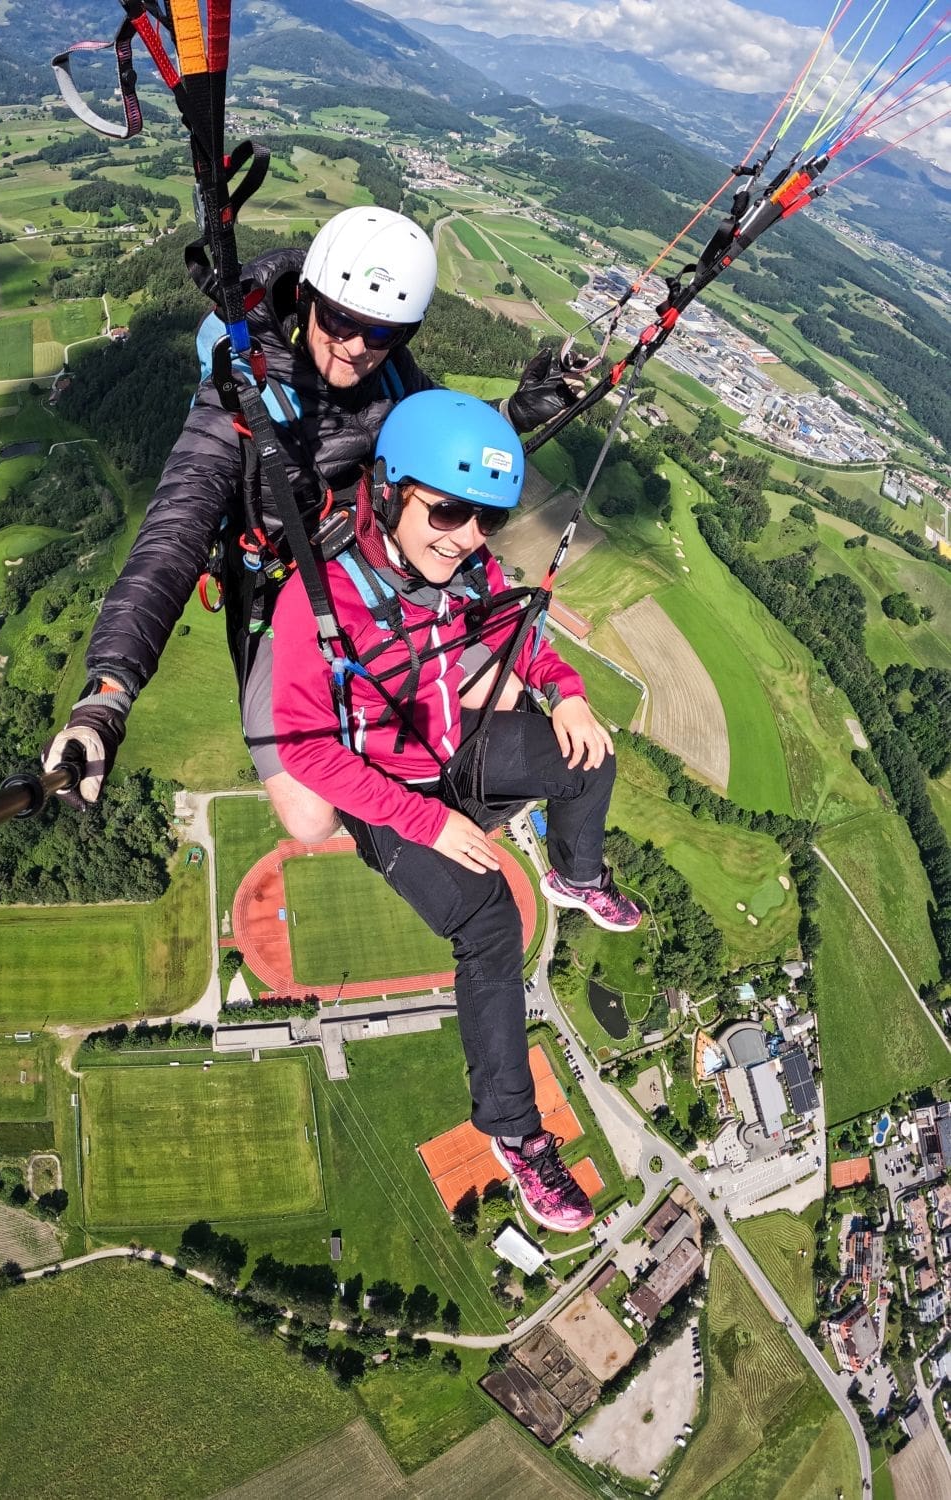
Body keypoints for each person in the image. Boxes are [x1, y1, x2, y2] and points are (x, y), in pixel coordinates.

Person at [43, 206, 585, 840]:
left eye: (380, 333)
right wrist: (108, 695)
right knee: (310, 821)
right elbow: (171, 538)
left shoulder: (391, 372)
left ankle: (425, 794)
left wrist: (512, 414)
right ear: (307, 300)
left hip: (372, 565)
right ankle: (378, 794)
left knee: (503, 687)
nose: (356, 346)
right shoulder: (238, 397)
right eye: (340, 321)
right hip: (282, 594)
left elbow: (433, 443)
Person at [269, 389, 641, 1233]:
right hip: (388, 800)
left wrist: (567, 693)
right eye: (446, 511)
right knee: (489, 923)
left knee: (590, 755)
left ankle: (576, 876)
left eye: (484, 519)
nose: (467, 536)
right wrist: (425, 821)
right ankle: (513, 1130)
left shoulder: (461, 569)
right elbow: (304, 749)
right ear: (393, 491)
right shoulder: (322, 602)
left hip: (452, 749)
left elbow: (517, 636)